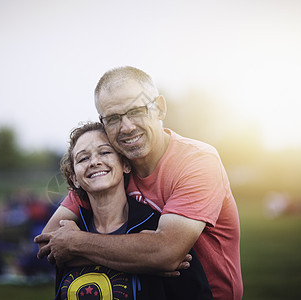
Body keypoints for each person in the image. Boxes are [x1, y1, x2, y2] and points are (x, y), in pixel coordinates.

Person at [35, 66, 243, 300]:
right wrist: (148, 259)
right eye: (113, 118)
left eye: (136, 111)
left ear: (160, 108)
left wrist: (77, 243)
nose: (127, 127)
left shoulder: (197, 161)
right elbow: (51, 244)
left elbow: (166, 254)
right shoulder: (110, 169)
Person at [53, 122, 212, 299]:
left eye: (105, 152)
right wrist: (143, 262)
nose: (94, 162)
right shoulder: (66, 236)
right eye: (83, 158)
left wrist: (153, 259)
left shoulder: (158, 232)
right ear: (75, 179)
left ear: (125, 166)